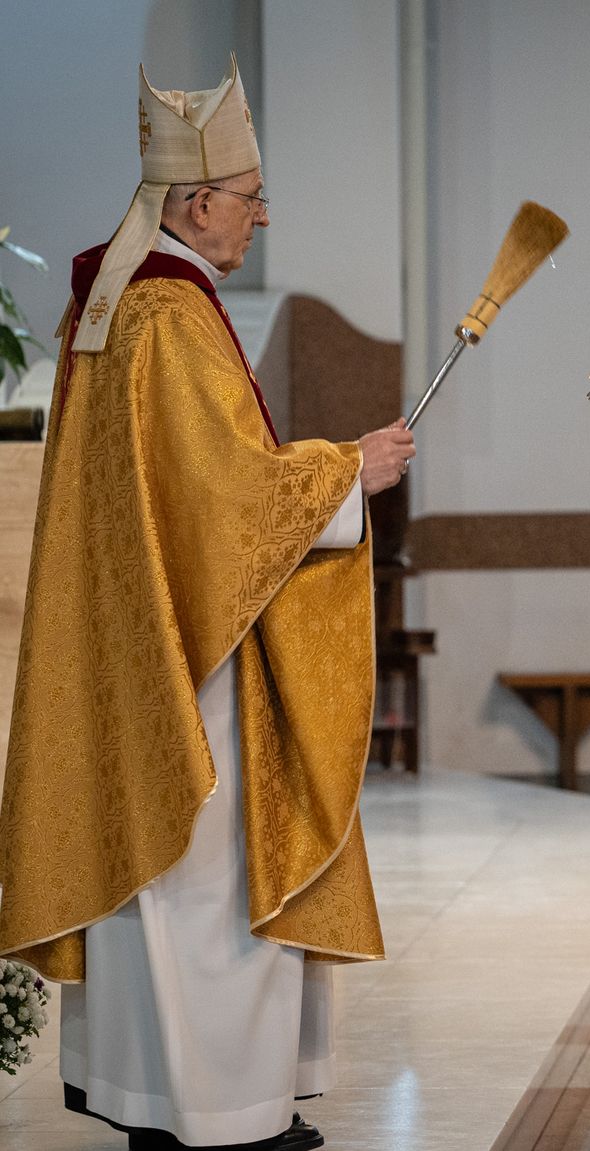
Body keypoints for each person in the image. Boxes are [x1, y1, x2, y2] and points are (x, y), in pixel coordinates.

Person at [0, 57, 415, 1150]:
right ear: (194, 203)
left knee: (166, 881)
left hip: (155, 640)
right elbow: (223, 497)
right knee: (208, 876)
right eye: (247, 196)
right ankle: (218, 1113)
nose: (260, 214)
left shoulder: (118, 304)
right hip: (201, 658)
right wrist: (346, 468)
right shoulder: (168, 317)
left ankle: (165, 1096)